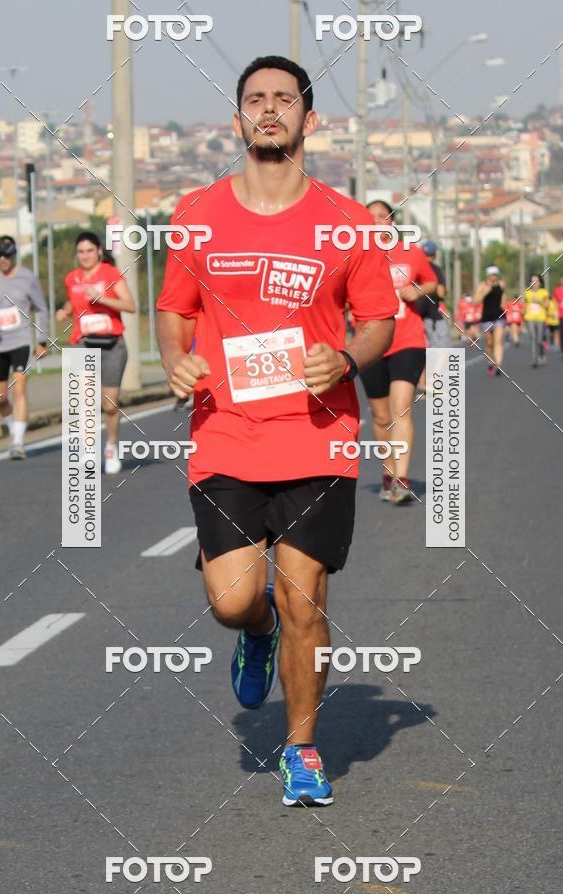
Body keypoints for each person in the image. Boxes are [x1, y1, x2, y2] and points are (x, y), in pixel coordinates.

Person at [156, 55, 397, 807]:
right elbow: (174, 307)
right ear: (237, 121)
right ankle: (252, 631)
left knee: (306, 599)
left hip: (315, 434)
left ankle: (302, 749)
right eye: (255, 99)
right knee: (235, 598)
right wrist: (172, 357)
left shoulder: (347, 222)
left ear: (308, 119)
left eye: (283, 100)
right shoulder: (197, 215)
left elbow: (381, 320)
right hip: (225, 432)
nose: (269, 110)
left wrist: (346, 356)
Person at [358, 201, 437, 504]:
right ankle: (388, 473)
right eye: (371, 217)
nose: (377, 221)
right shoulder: (355, 256)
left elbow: (431, 281)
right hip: (370, 345)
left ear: (392, 221)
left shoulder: (411, 252)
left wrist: (418, 291)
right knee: (380, 417)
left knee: (401, 407)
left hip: (407, 339)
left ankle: (402, 478)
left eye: (383, 216)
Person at [57, 232, 136, 473]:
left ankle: (111, 446)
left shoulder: (110, 274)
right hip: (83, 342)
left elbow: (130, 306)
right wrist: (65, 310)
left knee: (109, 405)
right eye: (81, 252)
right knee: (84, 400)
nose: (85, 256)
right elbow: (74, 300)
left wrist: (103, 299)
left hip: (112, 344)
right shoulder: (72, 278)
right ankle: (89, 448)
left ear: (99, 250)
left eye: (89, 251)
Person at [0, 235, 49, 460]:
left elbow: (42, 309)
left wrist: (41, 341)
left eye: (7, 255)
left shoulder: (28, 278)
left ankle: (18, 442)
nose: (3, 259)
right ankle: (12, 428)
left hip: (21, 341)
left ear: (15, 254)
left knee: (19, 389)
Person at [416, 240, 450, 395]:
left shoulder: (414, 268)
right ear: (435, 255)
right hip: (432, 316)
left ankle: (422, 384)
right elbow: (442, 293)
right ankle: (433, 381)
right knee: (443, 349)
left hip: (414, 315)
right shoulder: (435, 270)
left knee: (422, 350)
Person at [473, 265, 507, 376]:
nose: (493, 277)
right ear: (488, 275)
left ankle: (498, 366)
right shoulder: (482, 286)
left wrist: (504, 304)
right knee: (489, 343)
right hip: (486, 317)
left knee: (498, 341)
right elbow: (475, 301)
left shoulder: (501, 284)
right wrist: (485, 292)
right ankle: (490, 362)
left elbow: (504, 297)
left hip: (499, 316)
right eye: (491, 275)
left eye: (495, 275)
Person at [523, 273, 549, 367]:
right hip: (529, 317)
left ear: (540, 282)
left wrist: (539, 301)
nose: (534, 283)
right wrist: (522, 313)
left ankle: (541, 353)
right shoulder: (527, 292)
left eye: (536, 281)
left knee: (539, 339)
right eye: (532, 281)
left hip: (540, 318)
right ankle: (534, 360)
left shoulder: (543, 292)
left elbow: (546, 306)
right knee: (533, 338)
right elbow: (525, 306)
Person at [553, 273, 563, 357]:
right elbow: (554, 302)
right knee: (561, 333)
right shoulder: (557, 290)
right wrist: (555, 311)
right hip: (561, 315)